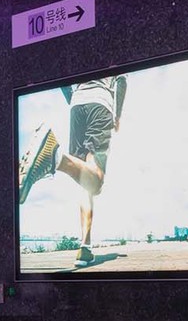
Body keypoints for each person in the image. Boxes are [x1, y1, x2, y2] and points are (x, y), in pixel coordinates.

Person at [19, 75, 127, 267]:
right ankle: (56, 157)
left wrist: (74, 99)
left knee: (85, 180)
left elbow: (62, 78)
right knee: (96, 182)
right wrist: (117, 116)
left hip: (77, 107)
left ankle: (85, 246)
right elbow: (122, 81)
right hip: (100, 105)